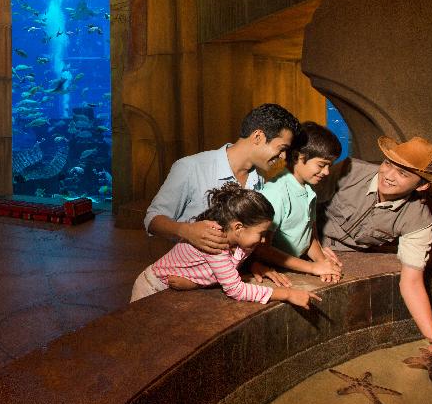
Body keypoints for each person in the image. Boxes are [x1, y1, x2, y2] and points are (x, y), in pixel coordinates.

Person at [318, 135, 432, 358]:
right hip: (307, 242)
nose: (388, 175)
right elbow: (299, 201)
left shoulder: (419, 220)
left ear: (422, 185)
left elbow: (412, 282)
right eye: (388, 164)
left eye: (403, 173)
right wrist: (314, 248)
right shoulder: (348, 171)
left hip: (345, 256)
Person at [130, 184, 323, 308]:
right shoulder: (215, 240)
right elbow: (235, 290)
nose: (264, 241)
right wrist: (287, 294)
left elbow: (225, 269)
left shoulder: (242, 241)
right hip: (153, 286)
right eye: (261, 233)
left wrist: (195, 283)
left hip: (175, 287)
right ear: (238, 227)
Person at [145, 103, 301, 255]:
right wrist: (187, 231)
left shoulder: (258, 180)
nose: (283, 156)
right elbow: (152, 221)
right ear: (258, 137)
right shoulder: (191, 167)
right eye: (282, 148)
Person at [251, 122, 344, 285]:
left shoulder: (309, 190)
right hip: (272, 272)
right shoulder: (276, 192)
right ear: (296, 157)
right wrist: (312, 268)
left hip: (297, 266)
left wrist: (323, 263)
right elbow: (262, 249)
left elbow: (309, 237)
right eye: (321, 165)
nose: (327, 172)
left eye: (329, 166)